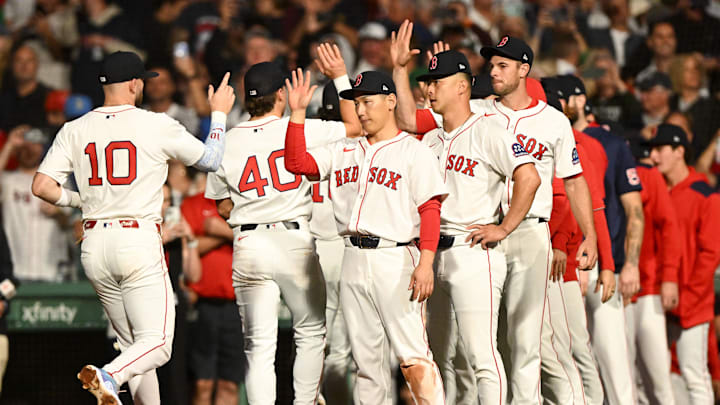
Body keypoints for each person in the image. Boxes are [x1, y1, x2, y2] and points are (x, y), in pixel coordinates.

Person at [395, 33, 599, 405]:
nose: (494, 71)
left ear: (525, 69)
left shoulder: (553, 121)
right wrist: (421, 74)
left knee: (527, 343)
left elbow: (573, 181)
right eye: (490, 65)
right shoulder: (478, 109)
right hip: (478, 234)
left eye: (503, 65)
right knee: (479, 345)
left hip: (528, 230)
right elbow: (410, 118)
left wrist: (588, 235)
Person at [31, 50, 235, 405]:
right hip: (136, 240)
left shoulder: (74, 128)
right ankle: (110, 374)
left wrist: (83, 202)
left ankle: (117, 374)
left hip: (95, 244)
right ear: (136, 83)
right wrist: (218, 113)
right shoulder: (154, 123)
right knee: (156, 345)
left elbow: (42, 186)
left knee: (136, 350)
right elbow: (212, 159)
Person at [391, 21, 541, 405]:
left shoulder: (489, 129)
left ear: (461, 85)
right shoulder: (431, 137)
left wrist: (504, 228)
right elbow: (407, 120)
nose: (430, 88)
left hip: (474, 252)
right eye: (428, 81)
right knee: (439, 356)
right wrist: (399, 70)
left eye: (437, 81)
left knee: (481, 356)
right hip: (433, 253)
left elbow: (529, 177)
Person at [204, 45, 361, 405]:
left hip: (249, 242)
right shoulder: (300, 127)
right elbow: (354, 126)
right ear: (281, 94)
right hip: (293, 239)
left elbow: (223, 203)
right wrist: (339, 76)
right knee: (309, 334)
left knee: (258, 348)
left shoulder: (228, 139)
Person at [284, 67, 448, 404]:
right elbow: (296, 163)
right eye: (356, 103)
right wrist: (297, 114)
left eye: (367, 102)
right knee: (367, 364)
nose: (360, 110)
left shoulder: (413, 151)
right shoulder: (343, 148)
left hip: (396, 257)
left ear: (391, 102)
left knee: (413, 358)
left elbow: (430, 209)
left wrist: (427, 262)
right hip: (352, 257)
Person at [569, 74, 644, 405]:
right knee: (571, 372)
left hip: (604, 268)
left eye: (566, 97)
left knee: (616, 370)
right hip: (563, 269)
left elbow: (634, 211)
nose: (561, 104)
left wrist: (630, 264)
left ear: (581, 100)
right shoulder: (545, 138)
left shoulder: (611, 144)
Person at [650, 123, 720, 405]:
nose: (654, 157)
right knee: (660, 376)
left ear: (680, 151)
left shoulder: (706, 195)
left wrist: (688, 298)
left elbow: (710, 254)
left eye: (659, 149)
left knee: (693, 374)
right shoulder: (654, 192)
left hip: (692, 303)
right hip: (656, 300)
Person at [181, 178, 244, 405]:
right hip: (203, 304)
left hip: (237, 305)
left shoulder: (243, 202)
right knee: (202, 382)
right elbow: (188, 247)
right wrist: (230, 234)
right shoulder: (193, 204)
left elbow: (253, 240)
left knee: (230, 382)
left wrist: (221, 231)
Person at [626, 139, 680, 404]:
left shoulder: (648, 175)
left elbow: (670, 227)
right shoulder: (601, 167)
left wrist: (669, 277)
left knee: (658, 378)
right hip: (614, 288)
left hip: (647, 288)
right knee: (624, 379)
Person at [311, 81, 353, 405]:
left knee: (312, 341)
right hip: (347, 249)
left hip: (312, 251)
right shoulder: (357, 138)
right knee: (343, 348)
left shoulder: (308, 137)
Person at [0, 126, 71, 282]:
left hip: (52, 273)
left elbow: (71, 226)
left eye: (35, 144)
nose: (30, 149)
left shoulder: (59, 180)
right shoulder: (8, 181)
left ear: (43, 147)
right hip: (15, 272)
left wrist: (58, 213)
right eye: (26, 145)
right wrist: (10, 145)